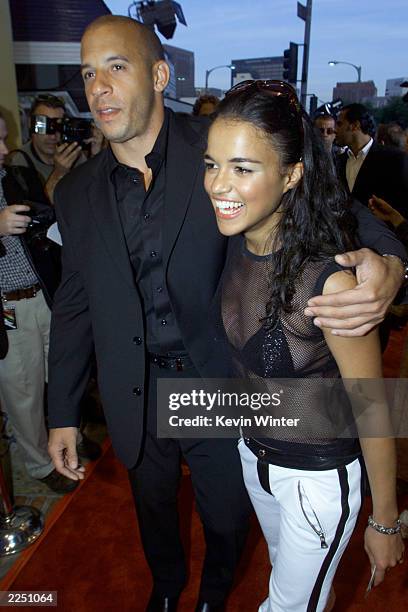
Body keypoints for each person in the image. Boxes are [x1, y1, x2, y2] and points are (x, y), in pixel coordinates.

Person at [47, 16, 407, 612]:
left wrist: (391, 261)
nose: (99, 87)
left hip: (224, 383)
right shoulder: (75, 191)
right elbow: (73, 303)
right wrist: (63, 411)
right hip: (133, 388)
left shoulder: (221, 148)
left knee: (226, 515)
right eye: (88, 73)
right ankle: (166, 592)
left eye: (117, 66)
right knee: (153, 507)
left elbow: (334, 204)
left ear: (160, 75)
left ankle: (215, 595)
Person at [204, 80, 405, 612]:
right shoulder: (235, 242)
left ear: (291, 174)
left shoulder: (331, 280)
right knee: (301, 590)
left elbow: (372, 406)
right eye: (212, 164)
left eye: (243, 168)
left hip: (317, 478)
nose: (218, 184)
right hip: (254, 454)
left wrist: (384, 520)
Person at [0, 109, 79, 494]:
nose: (4, 148)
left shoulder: (12, 177)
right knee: (23, 393)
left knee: (58, 376)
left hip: (42, 295)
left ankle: (64, 442)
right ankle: (37, 463)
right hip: (7, 310)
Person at [8, 94, 103, 203]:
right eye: (44, 125)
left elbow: (94, 193)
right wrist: (59, 173)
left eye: (58, 125)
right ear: (31, 124)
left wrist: (96, 154)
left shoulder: (73, 154)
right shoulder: (19, 161)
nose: (53, 136)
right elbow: (35, 210)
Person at [335, 103, 408, 216]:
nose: (335, 129)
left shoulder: (394, 159)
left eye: (339, 124)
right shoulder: (338, 161)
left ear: (355, 125)